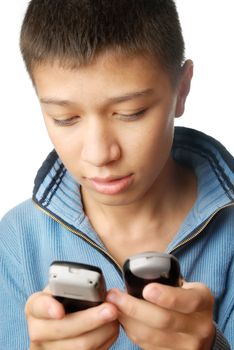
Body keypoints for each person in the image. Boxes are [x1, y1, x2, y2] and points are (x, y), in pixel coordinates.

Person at [0, 0, 233, 349]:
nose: (99, 154)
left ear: (181, 89)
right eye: (65, 118)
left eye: (130, 113)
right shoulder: (16, 241)